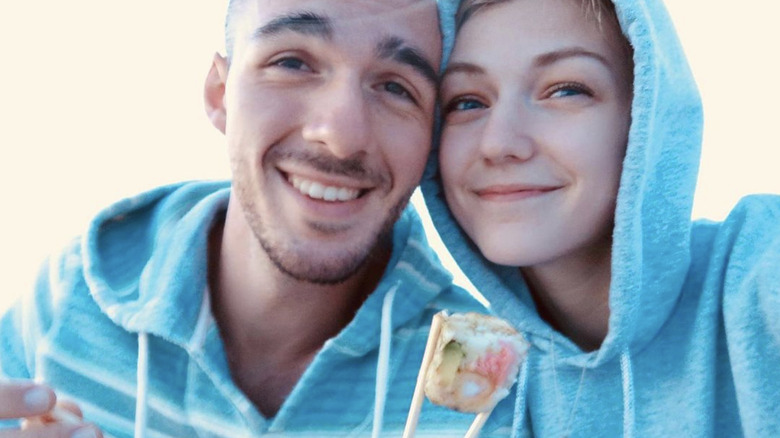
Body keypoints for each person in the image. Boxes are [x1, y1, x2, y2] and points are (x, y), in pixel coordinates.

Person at [0, 0, 491, 437]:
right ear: (220, 94)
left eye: (396, 87)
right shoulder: (70, 299)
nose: (341, 135)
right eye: (292, 62)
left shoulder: (486, 391)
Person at [422, 0, 780, 436]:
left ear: (646, 116)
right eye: (466, 101)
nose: (497, 143)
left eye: (565, 89)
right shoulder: (476, 389)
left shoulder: (760, 267)